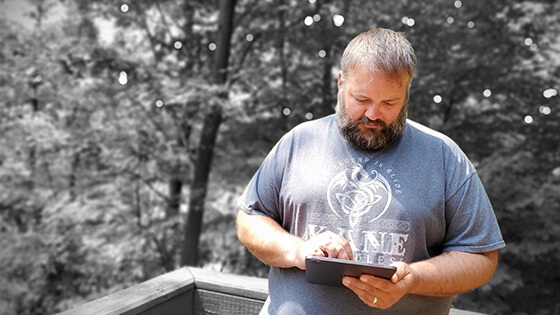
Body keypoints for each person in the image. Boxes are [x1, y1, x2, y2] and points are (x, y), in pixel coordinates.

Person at [236, 28, 505, 314]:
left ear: (406, 94)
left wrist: (412, 279)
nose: (373, 115)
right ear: (341, 83)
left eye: (389, 103)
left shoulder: (443, 156)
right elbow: (251, 218)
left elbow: (481, 257)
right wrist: (298, 250)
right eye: (361, 99)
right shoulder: (300, 141)